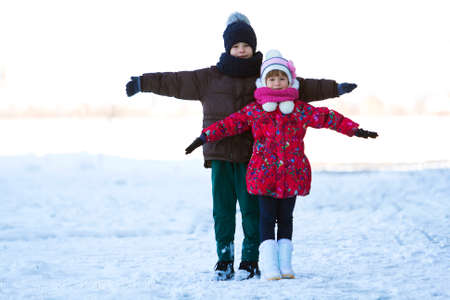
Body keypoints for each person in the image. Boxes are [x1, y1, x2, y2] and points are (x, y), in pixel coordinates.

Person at [125, 12, 358, 281]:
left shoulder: (265, 76)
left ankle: (250, 260)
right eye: (235, 46)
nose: (240, 50)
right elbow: (175, 81)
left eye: (245, 45)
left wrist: (335, 88)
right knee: (222, 211)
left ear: (253, 47)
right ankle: (224, 260)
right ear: (227, 48)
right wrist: (144, 82)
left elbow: (304, 87)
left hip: (253, 157)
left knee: (252, 212)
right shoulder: (208, 78)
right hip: (220, 154)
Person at [185, 49, 378, 280]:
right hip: (264, 176)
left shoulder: (298, 109)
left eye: (281, 78)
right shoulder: (255, 111)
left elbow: (326, 117)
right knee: (265, 219)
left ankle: (285, 265)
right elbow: (229, 124)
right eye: (272, 78)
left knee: (286, 219)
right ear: (264, 81)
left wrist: (354, 129)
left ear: (289, 80)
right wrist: (204, 137)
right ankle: (269, 266)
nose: (277, 83)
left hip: (292, 174)